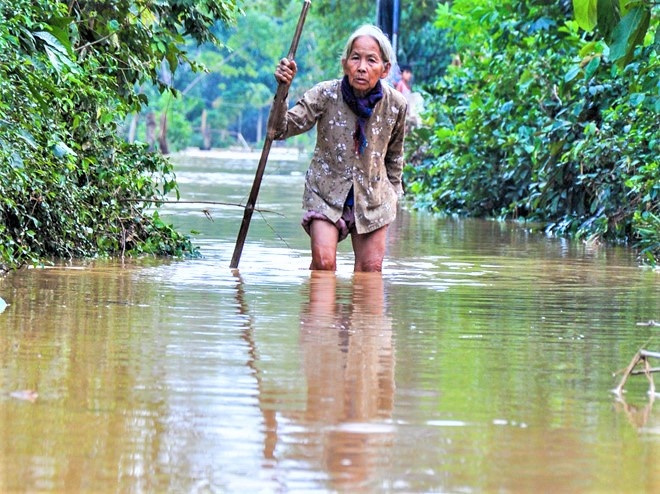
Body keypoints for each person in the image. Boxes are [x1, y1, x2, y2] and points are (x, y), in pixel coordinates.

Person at [273, 25, 407, 272]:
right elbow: (280, 130)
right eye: (355, 58)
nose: (362, 67)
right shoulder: (325, 94)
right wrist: (283, 91)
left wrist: (394, 193)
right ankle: (320, 307)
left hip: (373, 196)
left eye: (371, 60)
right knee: (324, 265)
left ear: (385, 69)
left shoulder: (396, 105)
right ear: (345, 64)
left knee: (370, 271)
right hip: (326, 191)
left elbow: (395, 155)